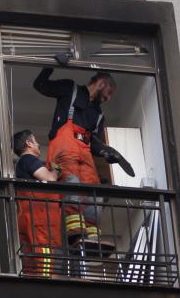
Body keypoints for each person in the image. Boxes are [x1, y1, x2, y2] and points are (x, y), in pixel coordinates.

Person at [33, 61, 121, 250]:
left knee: (95, 194)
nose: (108, 98)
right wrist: (52, 64)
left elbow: (94, 142)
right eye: (109, 92)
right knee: (71, 185)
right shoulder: (70, 90)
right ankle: (75, 235)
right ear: (102, 83)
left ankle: (92, 237)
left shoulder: (98, 115)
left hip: (85, 154)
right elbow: (39, 85)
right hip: (65, 150)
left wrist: (106, 152)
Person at [13, 129, 61, 277]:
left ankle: (34, 281)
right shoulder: (29, 159)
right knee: (43, 249)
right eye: (35, 141)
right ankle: (44, 282)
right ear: (28, 143)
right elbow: (49, 178)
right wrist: (56, 171)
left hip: (28, 215)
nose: (39, 144)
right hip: (38, 216)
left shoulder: (21, 164)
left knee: (31, 255)